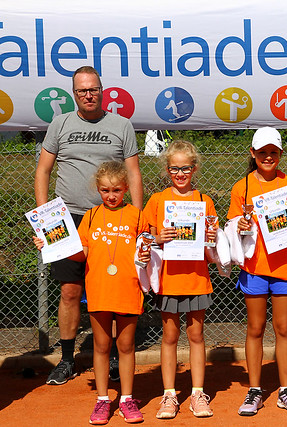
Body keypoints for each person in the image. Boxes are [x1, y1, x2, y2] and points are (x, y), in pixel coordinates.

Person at [34, 66, 143, 386]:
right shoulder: (60, 124)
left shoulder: (121, 125)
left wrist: (136, 218)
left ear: (101, 89)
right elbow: (43, 171)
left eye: (93, 89)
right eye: (82, 90)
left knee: (109, 290)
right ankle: (67, 360)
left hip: (112, 219)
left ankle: (111, 358)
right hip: (67, 220)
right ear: (74, 93)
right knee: (69, 291)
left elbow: (133, 173)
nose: (88, 94)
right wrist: (44, 218)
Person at [34, 161, 148, 425]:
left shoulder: (137, 215)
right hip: (99, 290)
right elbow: (80, 254)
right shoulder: (91, 216)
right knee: (101, 345)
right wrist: (48, 244)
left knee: (126, 346)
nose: (111, 195)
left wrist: (147, 252)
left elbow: (147, 252)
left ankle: (127, 399)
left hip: (128, 289)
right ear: (98, 190)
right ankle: (102, 400)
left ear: (126, 188)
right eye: (105, 190)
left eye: (117, 190)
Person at [227, 127, 287, 416]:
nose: (268, 157)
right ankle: (254, 390)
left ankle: (285, 390)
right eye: (262, 152)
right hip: (255, 268)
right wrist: (241, 226)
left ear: (281, 154)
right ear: (253, 154)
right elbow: (233, 225)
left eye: (273, 152)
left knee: (283, 328)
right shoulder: (242, 187)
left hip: (285, 266)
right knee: (255, 328)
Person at [143, 140, 217, 419]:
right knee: (170, 336)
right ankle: (169, 395)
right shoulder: (157, 201)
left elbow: (212, 244)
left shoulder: (203, 201)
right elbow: (146, 239)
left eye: (186, 168)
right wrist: (157, 238)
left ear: (194, 168)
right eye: (175, 169)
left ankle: (197, 392)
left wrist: (211, 239)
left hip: (196, 277)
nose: (180, 174)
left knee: (196, 335)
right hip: (168, 279)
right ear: (167, 169)